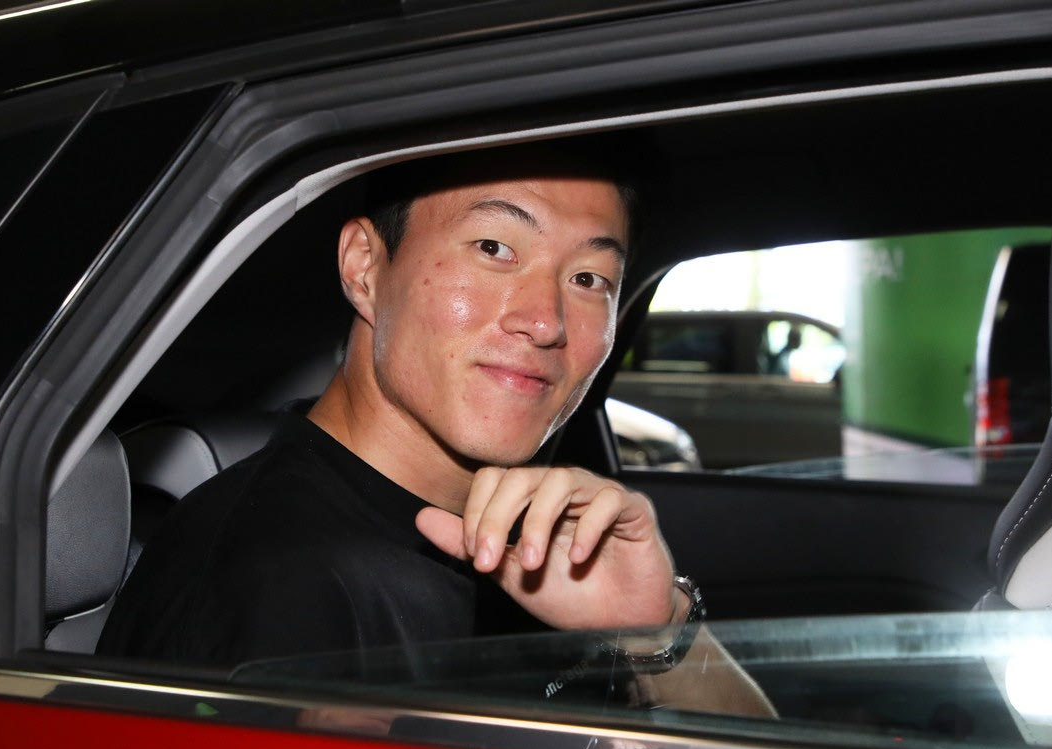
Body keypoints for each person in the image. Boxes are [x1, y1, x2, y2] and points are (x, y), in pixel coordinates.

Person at [97, 143, 773, 718]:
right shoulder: (278, 586)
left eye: (589, 278)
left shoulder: (533, 538)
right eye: (494, 248)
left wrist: (656, 627)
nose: (547, 321)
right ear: (364, 266)